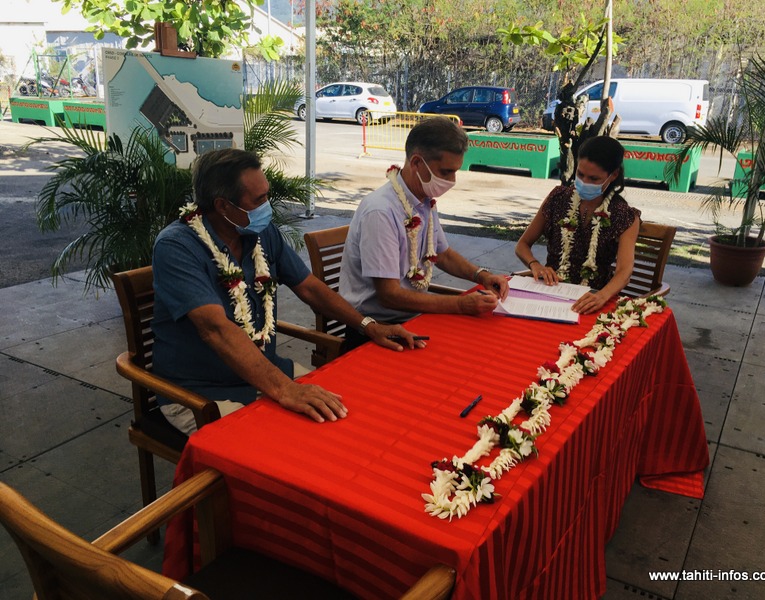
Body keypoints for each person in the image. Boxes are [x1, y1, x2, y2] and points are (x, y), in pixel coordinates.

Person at [151, 148, 422, 434]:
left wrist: (369, 326)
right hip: (201, 393)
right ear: (223, 206)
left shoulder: (259, 232)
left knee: (354, 416)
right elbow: (215, 329)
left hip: (269, 370)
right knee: (288, 445)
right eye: (259, 200)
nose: (267, 205)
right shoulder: (177, 246)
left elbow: (309, 288)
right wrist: (286, 391)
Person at [339, 117, 509, 348]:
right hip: (378, 331)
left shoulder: (423, 199)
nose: (452, 181)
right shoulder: (381, 212)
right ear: (417, 162)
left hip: (416, 318)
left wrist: (482, 276)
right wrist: (459, 305)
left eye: (455, 172)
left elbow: (442, 253)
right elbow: (389, 294)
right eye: (446, 172)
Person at [515, 135, 640, 314]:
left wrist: (602, 296)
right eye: (580, 175)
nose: (584, 182)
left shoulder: (624, 216)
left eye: (594, 178)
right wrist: (535, 265)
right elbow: (522, 245)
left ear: (613, 175)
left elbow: (624, 271)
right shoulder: (558, 198)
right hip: (550, 293)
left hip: (592, 301)